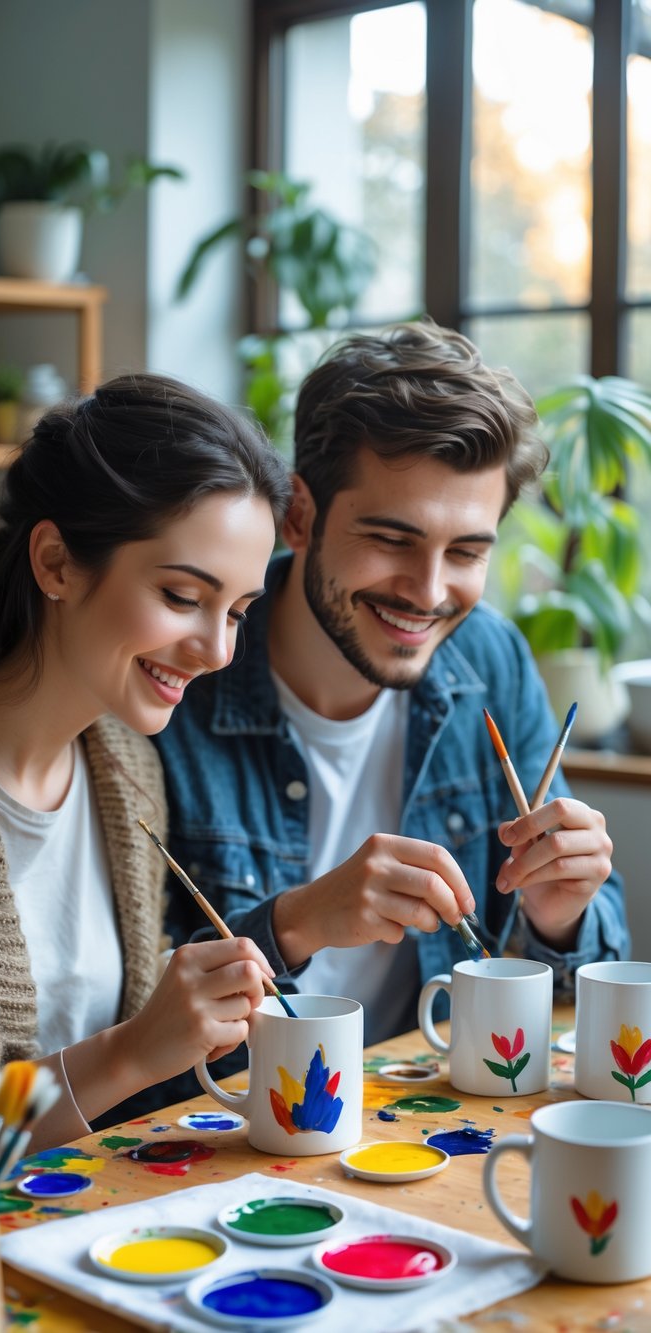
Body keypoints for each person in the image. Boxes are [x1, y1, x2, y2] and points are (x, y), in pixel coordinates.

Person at [153, 318, 629, 1101]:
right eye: (392, 539)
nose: (431, 589)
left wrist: (562, 915)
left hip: (427, 1125)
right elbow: (132, 1021)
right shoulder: (179, 679)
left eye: (468, 552)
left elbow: (576, 994)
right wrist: (296, 922)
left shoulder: (492, 660)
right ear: (299, 515)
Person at [0, 372, 292, 1148]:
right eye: (181, 595)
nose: (216, 649)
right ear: (57, 562)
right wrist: (132, 1050)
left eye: (237, 612)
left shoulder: (126, 768)